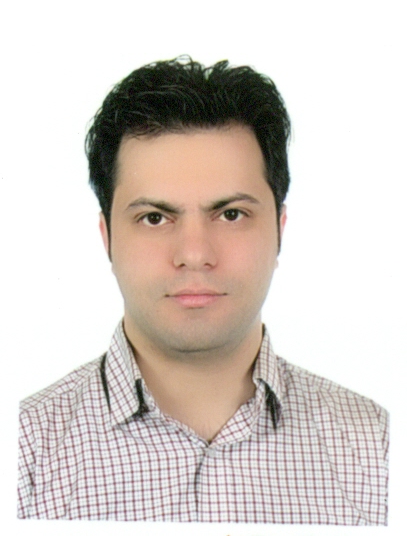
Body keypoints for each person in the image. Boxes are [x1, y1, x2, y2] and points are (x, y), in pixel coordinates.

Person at [17, 57, 388, 524]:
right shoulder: (24, 455)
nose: (194, 254)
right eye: (155, 218)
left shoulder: (378, 451)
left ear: (280, 230)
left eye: (231, 214)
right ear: (107, 237)